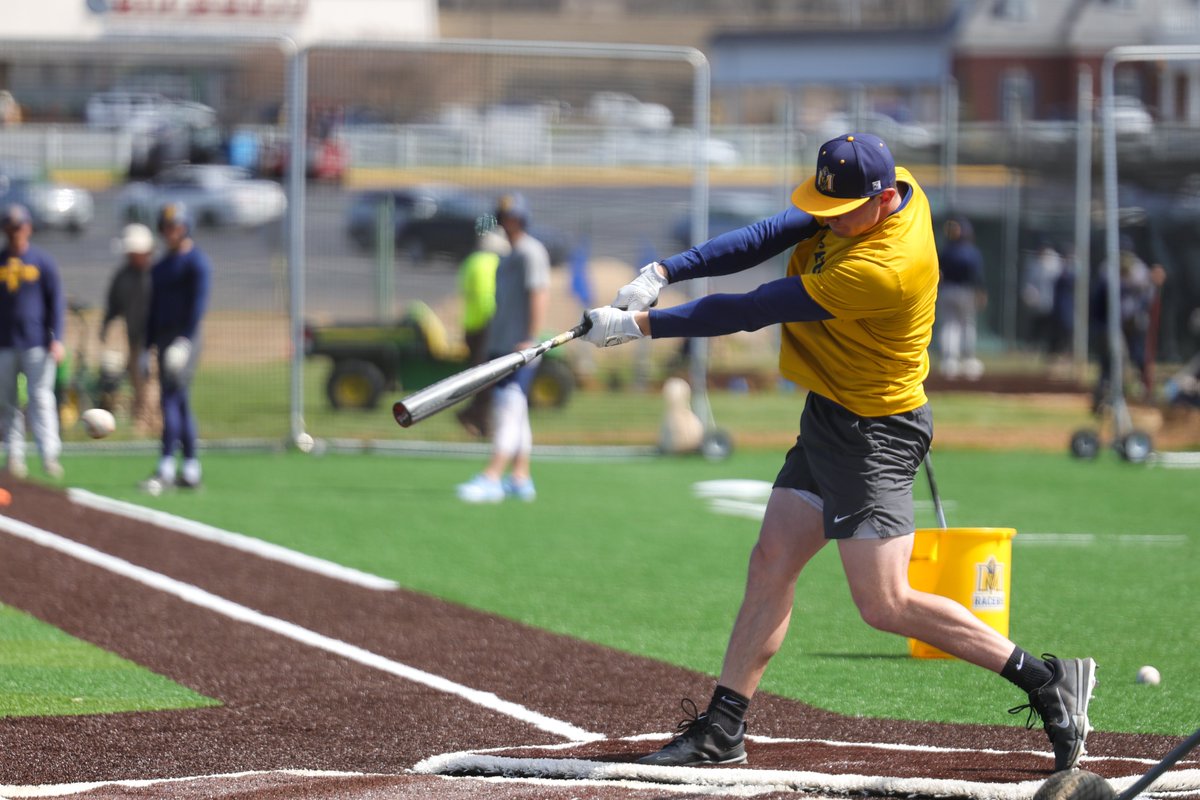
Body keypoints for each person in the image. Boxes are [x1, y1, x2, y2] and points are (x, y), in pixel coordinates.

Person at [582, 133, 1096, 773]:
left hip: (876, 433)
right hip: (832, 412)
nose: (827, 220)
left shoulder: (882, 269)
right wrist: (665, 272)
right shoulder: (885, 184)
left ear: (882, 201)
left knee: (885, 604)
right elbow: (777, 231)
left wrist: (640, 327)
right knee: (771, 559)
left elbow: (755, 308)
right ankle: (723, 728)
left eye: (841, 212)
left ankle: (1047, 680)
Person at [455, 193, 551, 504]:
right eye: (503, 217)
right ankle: (521, 477)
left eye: (512, 217)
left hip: (519, 347)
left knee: (507, 408)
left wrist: (529, 338)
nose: (507, 222)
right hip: (502, 345)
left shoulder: (530, 252)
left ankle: (492, 476)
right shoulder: (506, 258)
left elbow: (538, 294)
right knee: (517, 412)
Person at [139, 203, 211, 494]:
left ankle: (166, 466)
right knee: (179, 402)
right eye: (166, 227)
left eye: (175, 226)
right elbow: (153, 311)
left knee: (170, 400)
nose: (170, 232)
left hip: (185, 339)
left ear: (185, 227)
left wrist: (185, 341)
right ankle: (191, 468)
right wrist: (146, 347)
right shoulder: (160, 267)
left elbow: (198, 306)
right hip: (165, 339)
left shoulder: (197, 263)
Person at [0, 203, 65, 479]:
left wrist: (57, 338)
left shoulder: (42, 261)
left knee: (40, 398)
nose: (15, 232)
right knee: (6, 401)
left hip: (36, 342)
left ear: (28, 227)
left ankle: (49, 454)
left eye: (19, 226)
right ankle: (14, 455)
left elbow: (56, 302)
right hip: (4, 343)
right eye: (10, 227)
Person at [1090, 236, 1164, 413]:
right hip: (1110, 324)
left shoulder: (1138, 269)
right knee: (1110, 360)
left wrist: (1151, 283)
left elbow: (1149, 295)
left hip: (1133, 323)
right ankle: (1104, 398)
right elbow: (1106, 291)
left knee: (1139, 358)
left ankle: (1147, 393)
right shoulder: (1107, 268)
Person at [100, 223, 156, 434]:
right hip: (133, 337)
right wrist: (106, 323)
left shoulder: (157, 275)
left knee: (150, 380)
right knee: (136, 379)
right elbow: (114, 303)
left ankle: (150, 421)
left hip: (155, 339)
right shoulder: (124, 276)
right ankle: (144, 421)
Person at [454, 228, 510, 438]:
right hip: (488, 327)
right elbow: (488, 297)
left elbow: (465, 290)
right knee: (489, 378)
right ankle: (476, 418)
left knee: (481, 376)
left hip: (471, 326)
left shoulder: (470, 262)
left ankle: (480, 421)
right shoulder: (493, 263)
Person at [935, 216, 987, 380]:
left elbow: (939, 272)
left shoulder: (946, 250)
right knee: (967, 325)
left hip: (947, 290)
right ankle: (968, 360)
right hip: (966, 291)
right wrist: (981, 292)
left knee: (949, 325)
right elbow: (977, 274)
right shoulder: (971, 251)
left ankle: (949, 362)